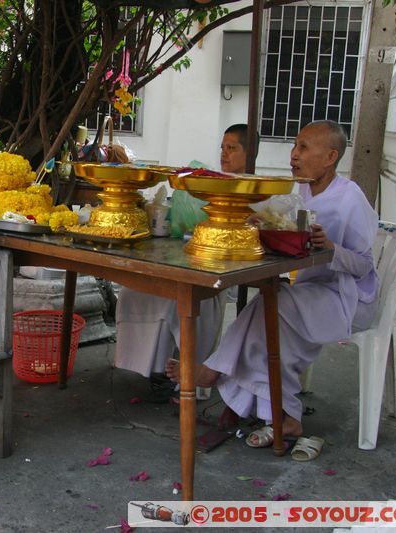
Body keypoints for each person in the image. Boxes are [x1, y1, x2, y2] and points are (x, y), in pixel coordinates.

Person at [165, 120, 379, 446]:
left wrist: (332, 248)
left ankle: (212, 372)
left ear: (330, 156)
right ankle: (285, 419)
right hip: (312, 290)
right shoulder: (303, 189)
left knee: (270, 306)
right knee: (265, 316)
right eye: (294, 145)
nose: (294, 154)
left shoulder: (349, 198)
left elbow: (364, 266)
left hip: (348, 297)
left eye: (304, 147)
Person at [114, 124, 257, 396]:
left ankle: (186, 373)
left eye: (232, 148)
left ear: (249, 154)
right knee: (133, 291)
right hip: (189, 257)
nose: (224, 154)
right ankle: (154, 368)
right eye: (223, 147)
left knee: (176, 301)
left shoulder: (257, 192)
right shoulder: (210, 184)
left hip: (215, 273)